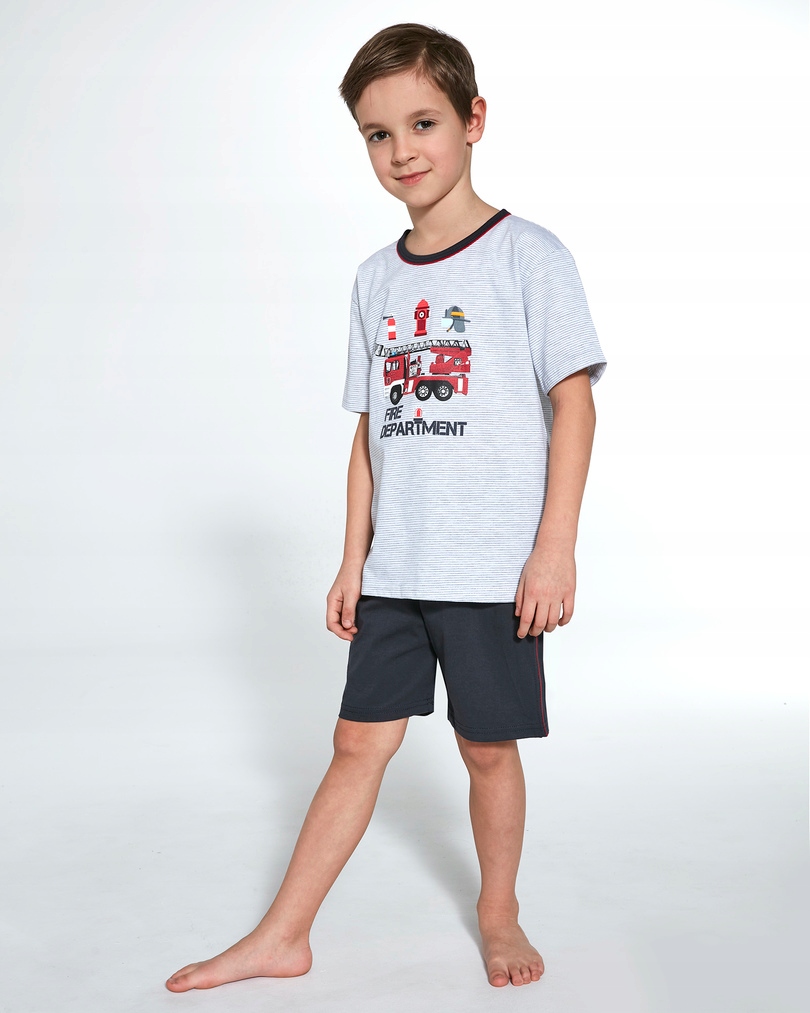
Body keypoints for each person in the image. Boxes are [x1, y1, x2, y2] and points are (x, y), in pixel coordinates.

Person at [166, 22, 606, 993]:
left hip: (491, 568)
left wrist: (554, 548)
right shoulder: (374, 279)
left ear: (473, 120)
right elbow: (371, 432)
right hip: (397, 567)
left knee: (485, 748)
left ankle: (499, 910)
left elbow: (574, 403)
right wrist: (350, 557)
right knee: (355, 741)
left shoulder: (529, 256)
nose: (402, 149)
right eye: (377, 133)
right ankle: (283, 933)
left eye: (422, 123)